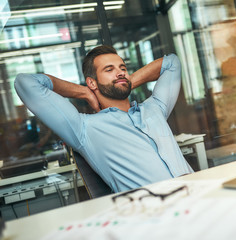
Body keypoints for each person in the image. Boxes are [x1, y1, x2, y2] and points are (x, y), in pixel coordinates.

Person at [15, 45, 194, 192]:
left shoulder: (154, 108)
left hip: (201, 197)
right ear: (92, 82)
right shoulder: (84, 129)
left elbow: (172, 62)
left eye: (122, 68)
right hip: (159, 218)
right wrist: (84, 92)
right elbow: (25, 83)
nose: (120, 72)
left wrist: (126, 81)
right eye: (109, 69)